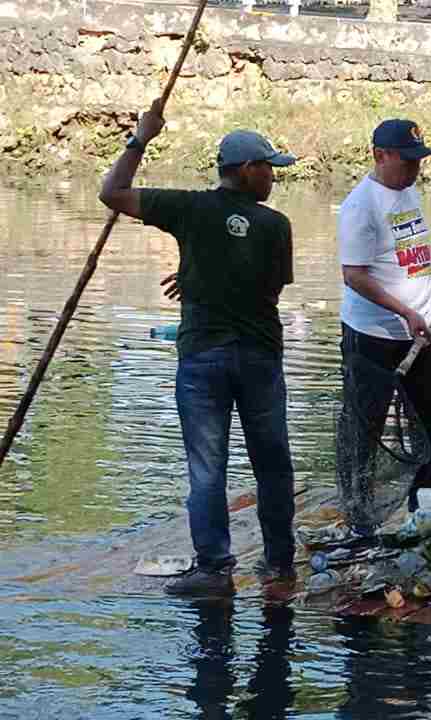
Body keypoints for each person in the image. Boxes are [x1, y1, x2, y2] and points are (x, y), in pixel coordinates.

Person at [99, 99, 299, 597]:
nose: (273, 179)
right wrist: (204, 277)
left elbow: (113, 191)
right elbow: (268, 291)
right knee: (272, 463)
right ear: (247, 170)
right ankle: (279, 565)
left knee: (207, 469)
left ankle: (213, 569)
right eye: (268, 169)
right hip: (258, 357)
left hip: (203, 358)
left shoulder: (188, 208)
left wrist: (141, 137)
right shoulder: (276, 226)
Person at [336, 119, 431, 535]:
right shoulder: (361, 206)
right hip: (372, 337)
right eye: (406, 161)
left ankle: (424, 514)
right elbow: (353, 274)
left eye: (418, 161)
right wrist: (402, 311)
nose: (414, 169)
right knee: (365, 430)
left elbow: (415, 252)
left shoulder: (408, 191)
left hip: (421, 331)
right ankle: (359, 520)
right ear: (380, 155)